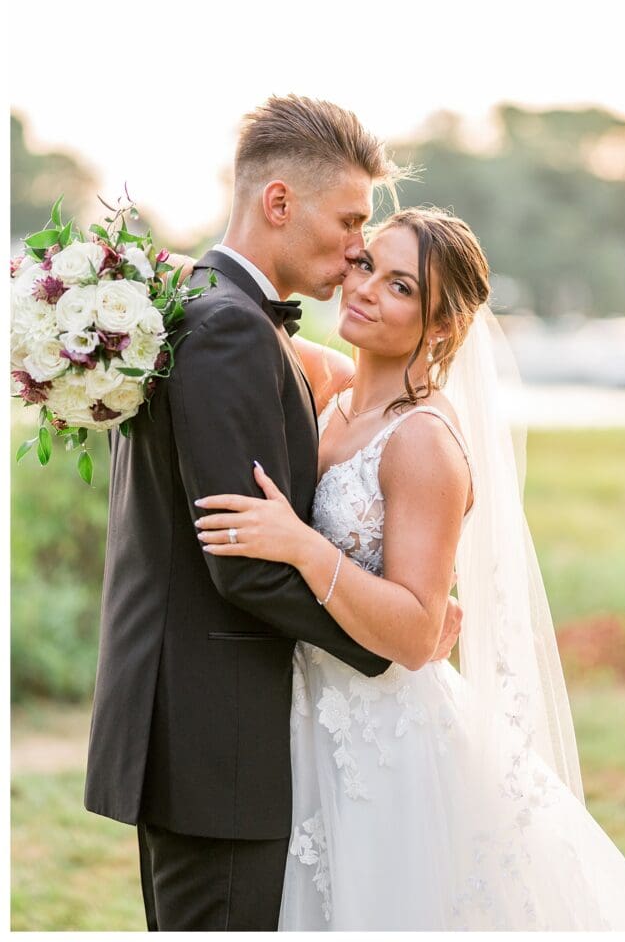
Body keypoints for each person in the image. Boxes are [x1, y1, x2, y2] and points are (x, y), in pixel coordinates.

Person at [194, 207, 625, 930]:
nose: (362, 290)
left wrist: (301, 544)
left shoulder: (422, 442)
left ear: (442, 326)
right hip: (310, 717)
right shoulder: (336, 393)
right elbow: (235, 317)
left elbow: (421, 633)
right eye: (364, 266)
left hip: (384, 740)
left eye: (399, 288)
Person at [84, 95, 463, 932]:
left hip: (211, 735)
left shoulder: (212, 311)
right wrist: (392, 643)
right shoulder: (227, 327)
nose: (361, 246)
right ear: (279, 203)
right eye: (352, 219)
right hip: (216, 743)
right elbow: (244, 559)